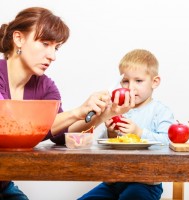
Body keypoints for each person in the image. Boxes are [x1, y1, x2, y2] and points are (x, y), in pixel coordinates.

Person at [0, 7, 135, 200]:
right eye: (45, 44)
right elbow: (9, 127)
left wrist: (103, 115)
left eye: (55, 48)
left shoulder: (46, 86)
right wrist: (78, 111)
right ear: (19, 39)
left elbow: (64, 134)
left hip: (4, 183)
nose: (52, 56)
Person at [78, 49, 175, 200]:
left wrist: (138, 132)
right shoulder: (117, 109)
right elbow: (101, 147)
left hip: (146, 183)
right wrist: (111, 134)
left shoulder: (160, 111)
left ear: (154, 82)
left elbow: (168, 143)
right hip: (114, 181)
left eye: (138, 81)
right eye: (125, 81)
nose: (130, 87)